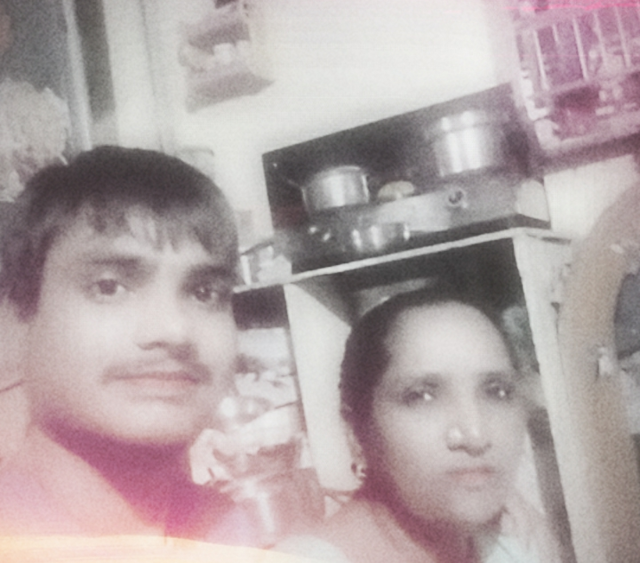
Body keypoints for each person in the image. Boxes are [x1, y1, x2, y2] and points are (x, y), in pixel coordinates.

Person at [0, 145, 258, 544]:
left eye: (204, 292)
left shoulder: (229, 532)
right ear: (20, 317)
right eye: (109, 287)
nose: (175, 330)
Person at [276, 286, 562, 563]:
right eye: (422, 396)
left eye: (497, 391)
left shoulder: (518, 542)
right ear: (357, 431)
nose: (475, 435)